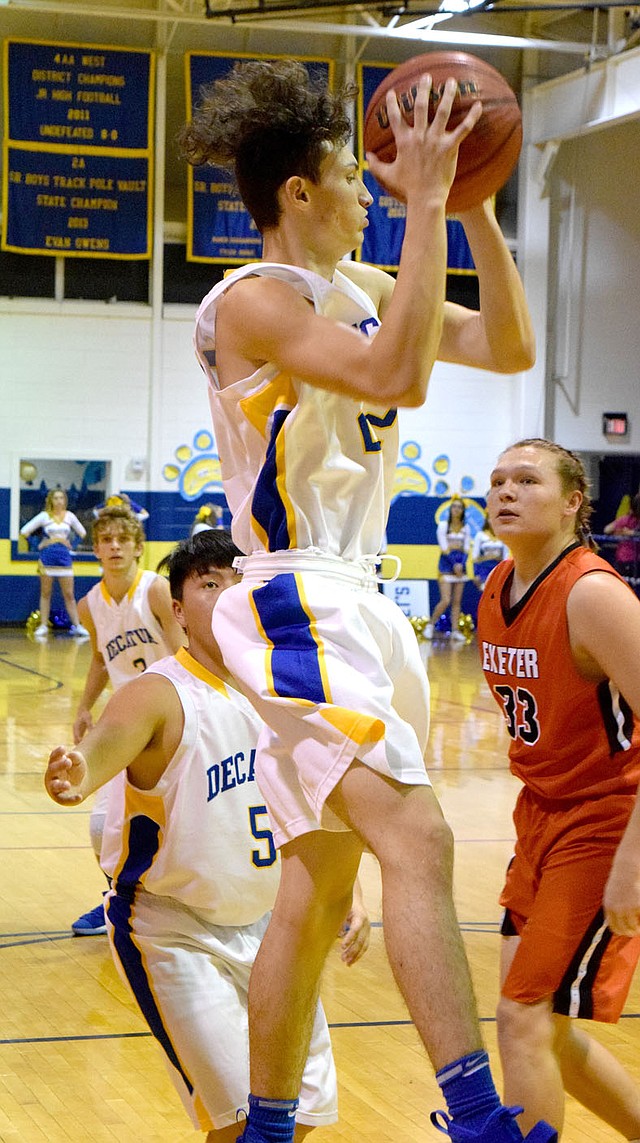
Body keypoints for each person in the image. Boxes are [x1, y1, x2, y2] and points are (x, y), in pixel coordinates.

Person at [181, 59, 550, 1143]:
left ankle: (268, 1122)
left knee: (318, 887)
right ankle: (477, 1112)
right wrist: (431, 200)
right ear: (297, 195)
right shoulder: (249, 300)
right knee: (420, 842)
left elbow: (510, 345)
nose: (372, 191)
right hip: (294, 596)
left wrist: (473, 208)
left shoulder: (372, 289)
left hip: (361, 601)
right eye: (354, 176)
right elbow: (397, 377)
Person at [44, 530, 370, 1142]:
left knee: (297, 1119)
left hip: (277, 929)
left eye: (236, 584)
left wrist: (346, 890)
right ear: (178, 609)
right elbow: (102, 750)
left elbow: (315, 804)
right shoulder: (157, 693)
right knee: (239, 1123)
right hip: (176, 931)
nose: (225, 598)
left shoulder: (285, 693)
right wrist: (77, 771)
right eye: (208, 584)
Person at [476, 437, 640, 1139]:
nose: (506, 491)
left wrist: (633, 857)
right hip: (539, 817)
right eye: (497, 480)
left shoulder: (593, 593)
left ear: (574, 501)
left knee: (522, 1015)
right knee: (546, 1032)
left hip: (606, 820)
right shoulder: (496, 585)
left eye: (527, 480)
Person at [70, 505, 185, 936]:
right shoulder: (89, 604)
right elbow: (101, 658)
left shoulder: (155, 590)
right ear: (96, 549)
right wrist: (83, 707)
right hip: (127, 722)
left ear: (138, 547)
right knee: (104, 822)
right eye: (106, 540)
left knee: (186, 816)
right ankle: (115, 898)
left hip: (172, 713)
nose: (114, 546)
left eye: (123, 539)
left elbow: (182, 653)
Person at [20, 488, 89, 638]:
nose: (58, 501)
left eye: (61, 498)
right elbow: (25, 531)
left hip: (64, 558)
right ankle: (44, 625)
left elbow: (82, 532)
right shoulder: (44, 516)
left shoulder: (70, 516)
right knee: (46, 593)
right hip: (47, 558)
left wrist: (72, 543)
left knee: (69, 594)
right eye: (55, 498)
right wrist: (39, 543)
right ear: (50, 500)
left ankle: (77, 625)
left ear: (65, 500)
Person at [426, 497, 472, 641]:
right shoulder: (443, 526)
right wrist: (454, 564)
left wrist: (461, 565)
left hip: (460, 566)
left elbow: (466, 549)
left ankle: (455, 630)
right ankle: (431, 625)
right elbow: (444, 548)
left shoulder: (466, 528)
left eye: (459, 507)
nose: (456, 509)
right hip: (446, 565)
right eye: (454, 507)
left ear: (463, 510)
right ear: (450, 509)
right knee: (445, 600)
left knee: (457, 601)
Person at [603, 492, 640, 583]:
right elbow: (607, 530)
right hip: (625, 560)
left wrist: (633, 533)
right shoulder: (625, 519)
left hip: (634, 561)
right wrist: (619, 531)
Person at [471, 513, 509, 593]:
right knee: (486, 595)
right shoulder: (480, 535)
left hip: (498, 570)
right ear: (487, 520)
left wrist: (496, 558)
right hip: (483, 570)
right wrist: (476, 574)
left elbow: (505, 558)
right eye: (490, 518)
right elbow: (475, 557)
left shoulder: (503, 535)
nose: (492, 521)